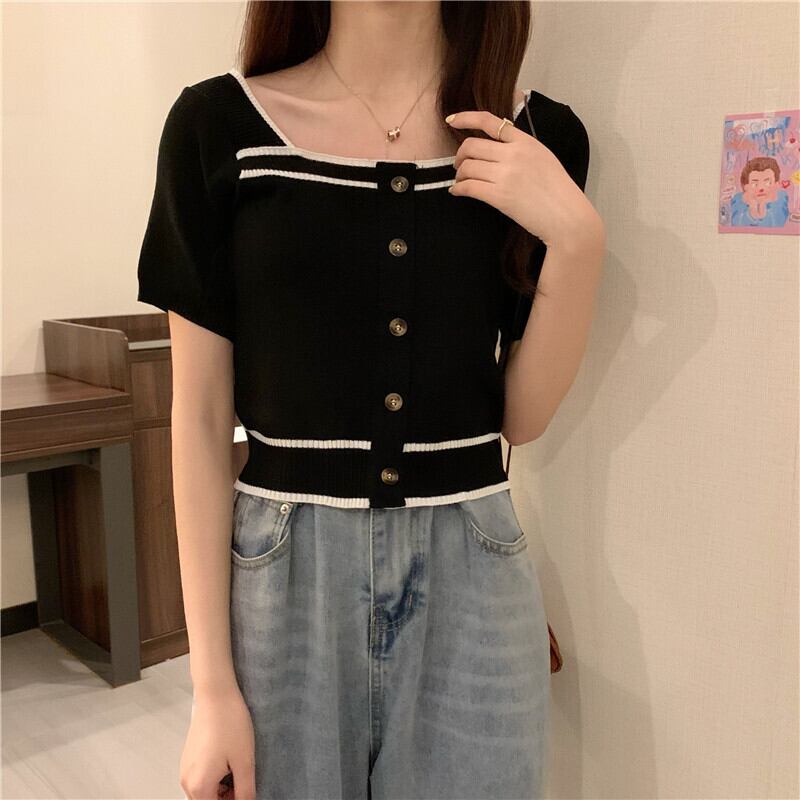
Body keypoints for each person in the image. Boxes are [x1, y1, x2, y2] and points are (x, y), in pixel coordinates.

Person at [136, 2, 605, 798]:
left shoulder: (534, 140)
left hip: (475, 577)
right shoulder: (218, 130)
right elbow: (203, 420)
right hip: (284, 582)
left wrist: (580, 244)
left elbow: (521, 418)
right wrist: (210, 687)